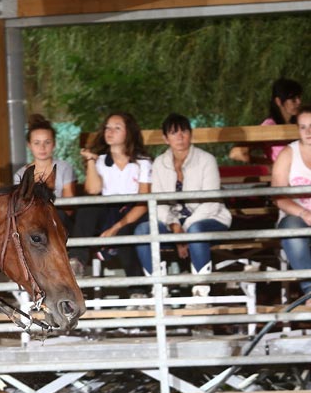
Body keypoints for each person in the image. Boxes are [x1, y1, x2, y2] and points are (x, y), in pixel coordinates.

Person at [133, 114, 231, 298]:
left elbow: (211, 202)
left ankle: (201, 292)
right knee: (142, 231)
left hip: (208, 219)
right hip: (174, 223)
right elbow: (158, 202)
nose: (179, 137)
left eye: (184, 131)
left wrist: (184, 230)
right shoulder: (160, 163)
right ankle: (158, 288)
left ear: (191, 134)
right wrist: (174, 226)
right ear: (165, 138)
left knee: (196, 229)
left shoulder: (206, 160)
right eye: (173, 133)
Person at [70, 112, 152, 278]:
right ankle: (76, 260)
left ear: (128, 132)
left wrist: (116, 227)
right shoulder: (100, 161)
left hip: (133, 214)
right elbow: (92, 191)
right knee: (88, 208)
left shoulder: (143, 161)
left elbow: (143, 202)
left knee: (124, 234)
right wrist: (91, 162)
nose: (110, 131)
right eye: (107, 128)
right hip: (107, 211)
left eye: (117, 128)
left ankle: (138, 290)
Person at [271, 105, 311, 296]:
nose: (308, 132)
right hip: (296, 215)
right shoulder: (287, 154)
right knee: (292, 229)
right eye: (303, 127)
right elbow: (278, 196)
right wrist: (304, 213)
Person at [13, 114, 77, 232]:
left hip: (59, 220)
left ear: (54, 144)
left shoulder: (65, 168)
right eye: (37, 143)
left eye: (47, 142)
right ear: (29, 145)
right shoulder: (20, 174)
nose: (42, 147)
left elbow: (69, 207)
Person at [230, 78, 303, 165]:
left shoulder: (302, 123)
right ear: (278, 101)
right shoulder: (269, 126)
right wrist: (271, 164)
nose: (299, 102)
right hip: (282, 176)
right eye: (293, 99)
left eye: (299, 97)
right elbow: (236, 153)